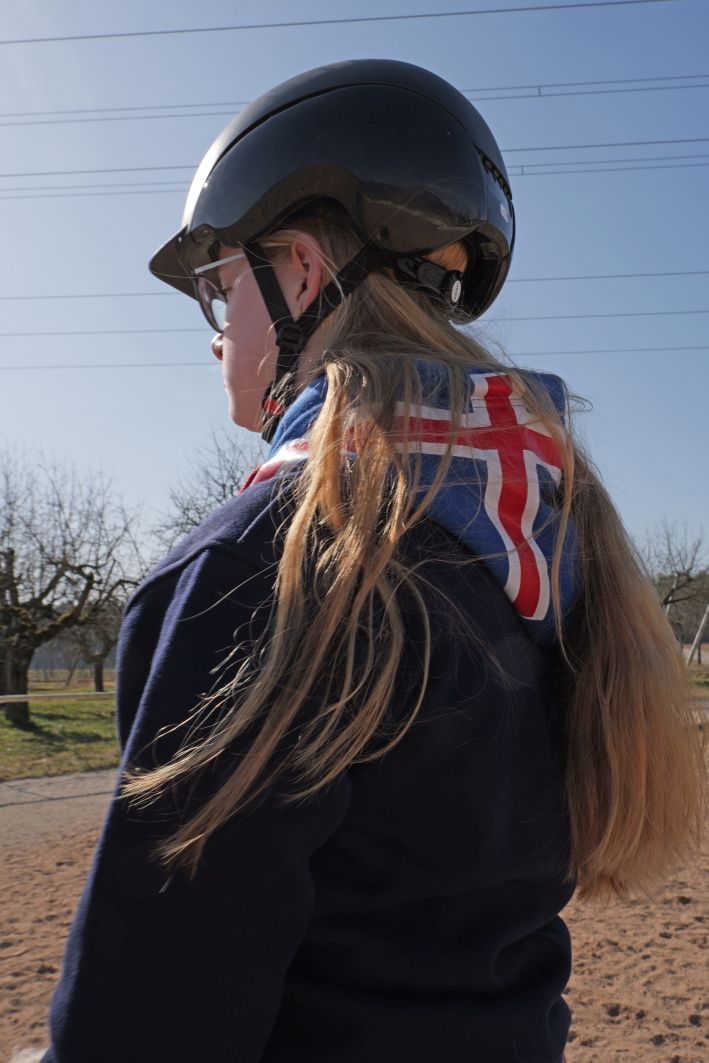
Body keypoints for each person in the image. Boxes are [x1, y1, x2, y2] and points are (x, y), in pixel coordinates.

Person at [39, 59, 703, 1062]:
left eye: (222, 290)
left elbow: (138, 1030)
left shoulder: (260, 568)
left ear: (300, 271)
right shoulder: (545, 549)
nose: (218, 339)